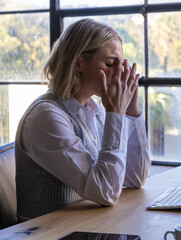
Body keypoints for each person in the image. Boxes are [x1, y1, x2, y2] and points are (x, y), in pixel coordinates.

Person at [15, 18, 151, 221]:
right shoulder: (46, 116)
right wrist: (115, 114)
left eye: (121, 64)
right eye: (110, 63)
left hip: (87, 227)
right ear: (79, 62)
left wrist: (130, 111)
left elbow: (135, 178)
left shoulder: (94, 110)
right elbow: (106, 192)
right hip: (49, 234)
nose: (120, 74)